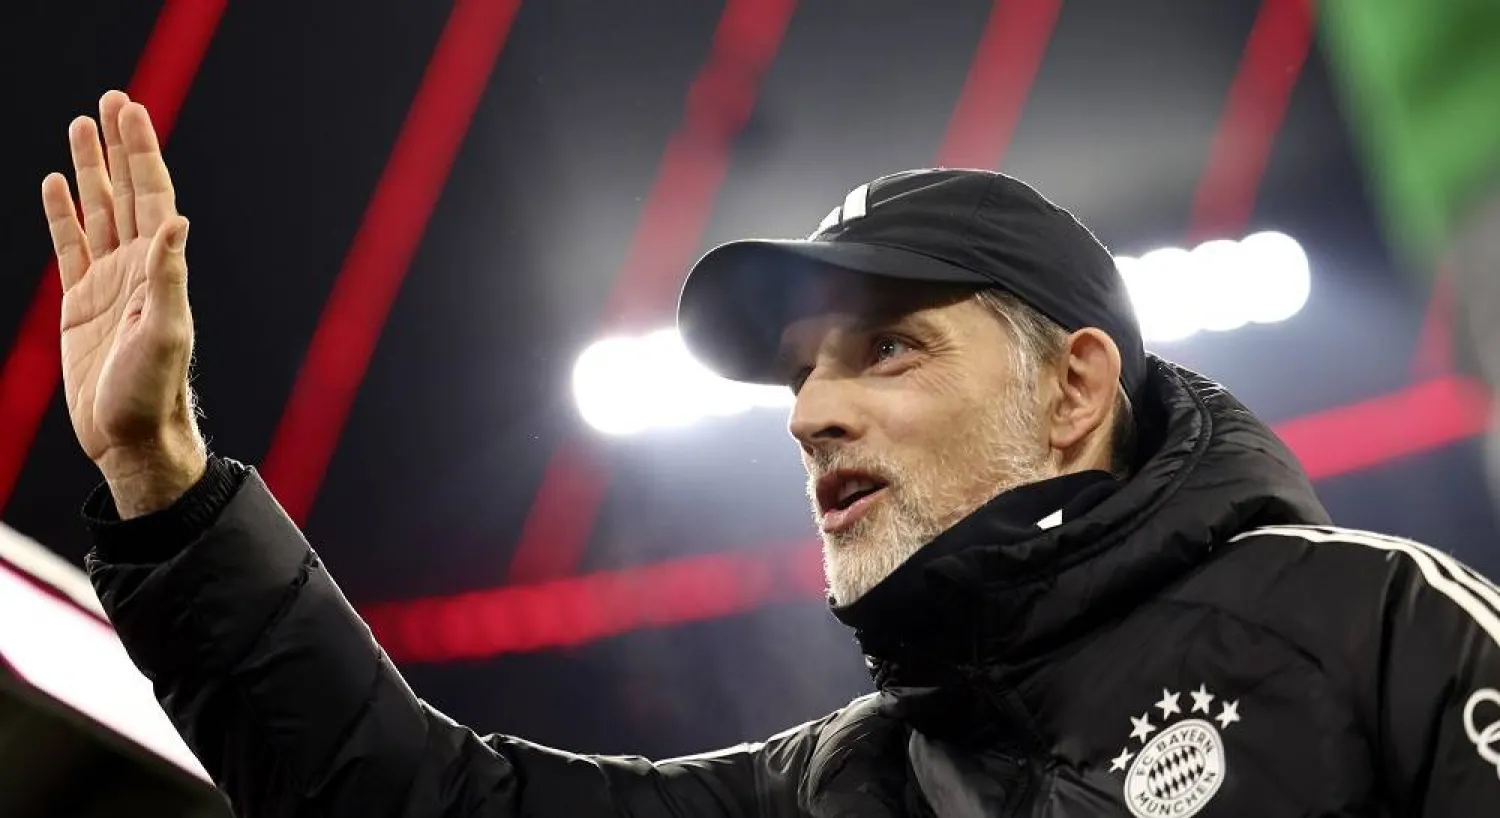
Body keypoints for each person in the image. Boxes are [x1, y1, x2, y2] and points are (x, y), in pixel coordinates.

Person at [41, 90, 1500, 818]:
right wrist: (163, 476)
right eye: (803, 371)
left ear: (1074, 389)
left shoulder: (1370, 622)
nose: (808, 411)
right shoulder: (837, 785)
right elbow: (425, 802)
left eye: (887, 348)